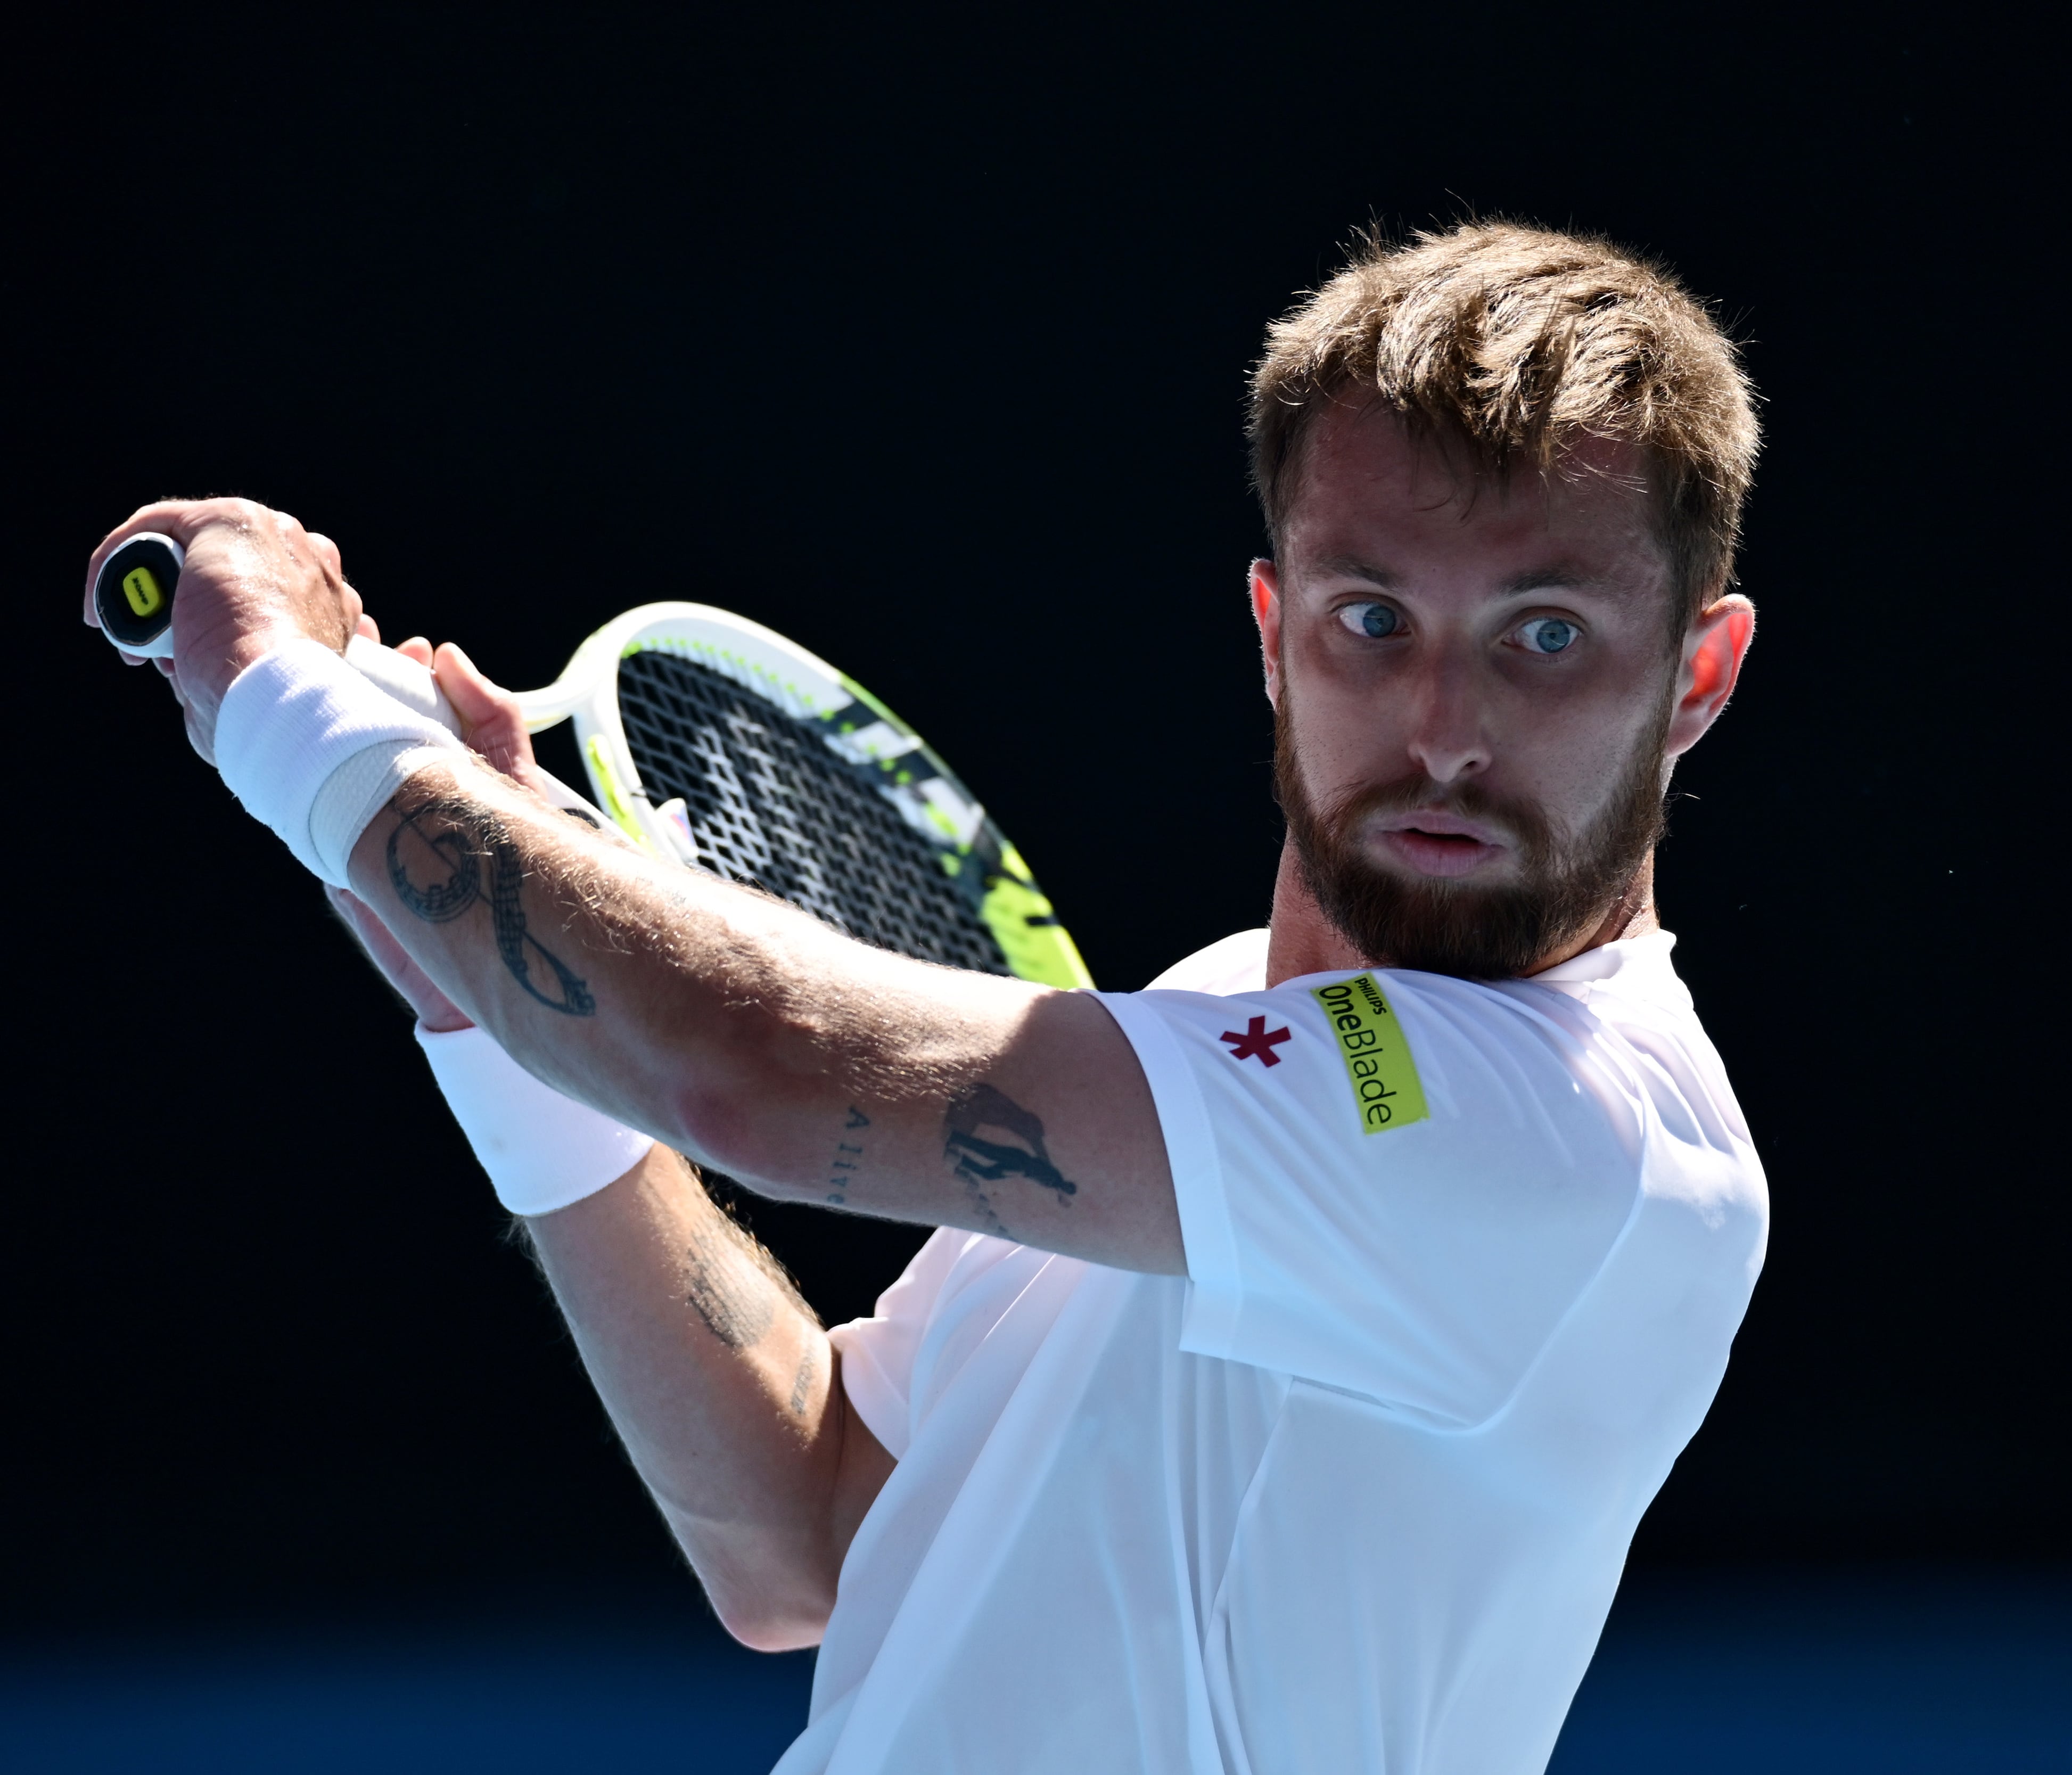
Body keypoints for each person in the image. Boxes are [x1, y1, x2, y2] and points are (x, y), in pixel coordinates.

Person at [92, 221, 1769, 1774]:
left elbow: (750, 1070)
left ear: (1696, 674)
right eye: (1373, 620)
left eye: (1545, 636)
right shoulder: (1202, 1040)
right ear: (1272, 632)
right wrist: (491, 1020)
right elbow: (801, 1530)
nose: (1444, 727)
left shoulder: (1578, 1138)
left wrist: (287, 718)